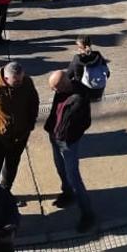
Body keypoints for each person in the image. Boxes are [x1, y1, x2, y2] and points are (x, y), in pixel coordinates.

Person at [0, 61, 39, 190]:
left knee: (12, 165)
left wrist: (30, 124)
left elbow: (34, 102)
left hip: (20, 136)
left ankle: (5, 191)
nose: (20, 83)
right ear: (6, 78)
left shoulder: (27, 82)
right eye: (16, 81)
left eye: (21, 79)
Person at [43, 69, 95, 233]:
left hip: (68, 143)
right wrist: (52, 131)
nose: (53, 91)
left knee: (74, 177)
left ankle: (88, 214)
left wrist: (69, 136)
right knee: (60, 168)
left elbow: (85, 122)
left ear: (64, 84)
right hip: (56, 137)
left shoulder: (78, 100)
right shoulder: (62, 91)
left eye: (55, 88)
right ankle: (67, 192)